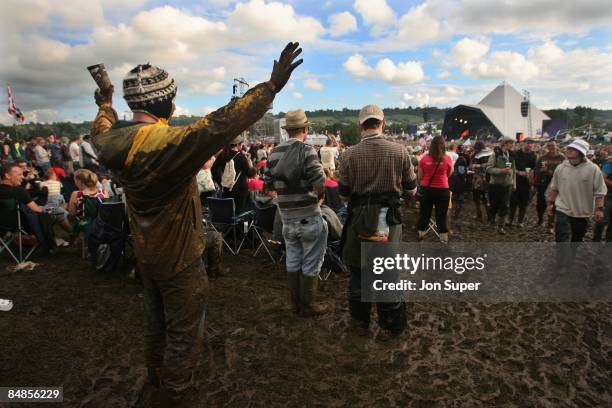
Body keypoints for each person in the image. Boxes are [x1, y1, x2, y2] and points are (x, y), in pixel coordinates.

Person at [89, 42, 302, 407]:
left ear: (134, 105)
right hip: (181, 256)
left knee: (155, 325)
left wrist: (105, 103)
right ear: (169, 106)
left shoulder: (108, 142)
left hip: (145, 251)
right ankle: (174, 395)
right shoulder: (173, 142)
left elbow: (102, 126)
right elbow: (221, 123)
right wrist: (270, 87)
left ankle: (156, 380)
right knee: (184, 334)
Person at [338, 104, 417, 336]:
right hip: (388, 219)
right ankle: (389, 326)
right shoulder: (400, 151)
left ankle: (359, 322)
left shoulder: (348, 155)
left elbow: (343, 193)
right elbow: (411, 189)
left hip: (359, 218)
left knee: (359, 271)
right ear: (382, 124)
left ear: (360, 125)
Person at [264, 109, 327, 317]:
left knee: (293, 259)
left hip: (286, 217)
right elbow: (320, 182)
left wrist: (284, 195)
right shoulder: (307, 151)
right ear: (305, 129)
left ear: (287, 130)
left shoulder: (273, 153)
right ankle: (308, 306)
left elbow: (268, 186)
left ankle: (295, 304)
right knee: (311, 261)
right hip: (309, 215)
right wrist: (319, 196)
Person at [547, 139, 607, 242]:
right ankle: (562, 257)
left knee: (577, 238)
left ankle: (571, 256)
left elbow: (599, 191)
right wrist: (550, 203)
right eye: (568, 148)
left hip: (582, 212)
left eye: (573, 149)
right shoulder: (561, 168)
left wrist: (599, 209)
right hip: (563, 208)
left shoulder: (593, 169)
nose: (569, 150)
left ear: (581, 152)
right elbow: (554, 188)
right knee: (561, 237)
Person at [417, 135, 453, 242]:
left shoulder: (424, 159)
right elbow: (449, 174)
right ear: (443, 146)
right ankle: (443, 240)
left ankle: (421, 236)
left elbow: (419, 176)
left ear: (431, 146)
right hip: (442, 190)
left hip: (426, 190)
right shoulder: (447, 159)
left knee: (424, 214)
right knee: (441, 216)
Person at [211, 136, 256, 213]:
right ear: (238, 144)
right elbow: (249, 173)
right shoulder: (241, 156)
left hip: (227, 188)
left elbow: (213, 169)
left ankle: (230, 225)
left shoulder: (223, 155)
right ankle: (239, 225)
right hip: (240, 190)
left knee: (229, 212)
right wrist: (254, 168)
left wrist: (220, 182)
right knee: (240, 214)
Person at [486, 136, 516, 235]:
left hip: (507, 184)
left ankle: (500, 227)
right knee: (494, 205)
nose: (513, 145)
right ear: (505, 144)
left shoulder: (511, 155)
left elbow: (513, 171)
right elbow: (489, 169)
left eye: (513, 143)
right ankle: (492, 218)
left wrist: (513, 183)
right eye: (511, 143)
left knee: (505, 205)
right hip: (495, 184)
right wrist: (501, 171)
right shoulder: (495, 155)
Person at [534, 140, 565, 233]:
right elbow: (536, 170)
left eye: (553, 145)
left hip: (557, 183)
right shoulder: (543, 157)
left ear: (556, 146)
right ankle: (540, 218)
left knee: (553, 203)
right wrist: (541, 170)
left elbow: (567, 170)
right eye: (549, 146)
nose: (551, 147)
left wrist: (552, 172)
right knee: (540, 203)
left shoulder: (562, 157)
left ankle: (550, 225)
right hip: (543, 182)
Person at [507, 138, 537, 228]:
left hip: (526, 182)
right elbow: (509, 166)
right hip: (516, 180)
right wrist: (519, 172)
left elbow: (534, 168)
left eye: (531, 143)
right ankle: (510, 220)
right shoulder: (515, 154)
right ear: (523, 143)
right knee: (513, 201)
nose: (530, 145)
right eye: (528, 143)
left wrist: (530, 173)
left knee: (524, 202)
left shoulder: (533, 155)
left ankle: (520, 221)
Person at [470, 141, 492, 223]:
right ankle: (490, 217)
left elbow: (474, 167)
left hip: (478, 180)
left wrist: (475, 166)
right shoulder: (491, 152)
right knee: (486, 199)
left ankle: (479, 215)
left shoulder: (477, 155)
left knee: (476, 199)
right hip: (489, 178)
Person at [594, 153, 612, 241]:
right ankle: (596, 240)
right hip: (608, 195)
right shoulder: (609, 164)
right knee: (602, 220)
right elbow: (603, 178)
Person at [449, 144, 468, 220]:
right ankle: (455, 214)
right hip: (460, 182)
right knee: (459, 199)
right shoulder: (462, 159)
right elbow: (461, 172)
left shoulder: (461, 159)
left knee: (457, 198)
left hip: (457, 181)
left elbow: (460, 171)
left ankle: (455, 214)